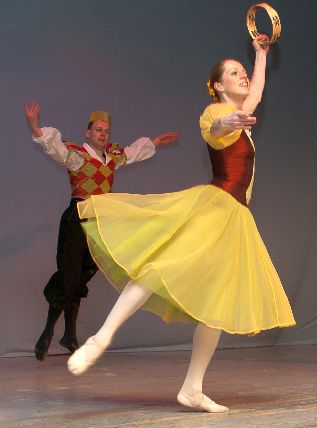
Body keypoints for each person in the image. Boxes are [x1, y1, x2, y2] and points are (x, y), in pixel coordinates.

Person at [67, 35, 295, 413]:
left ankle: (192, 388)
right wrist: (227, 120)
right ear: (218, 85)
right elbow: (217, 128)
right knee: (159, 267)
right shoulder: (214, 112)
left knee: (215, 303)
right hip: (215, 208)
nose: (243, 77)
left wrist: (259, 55)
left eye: (243, 72)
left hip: (236, 217)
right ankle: (101, 338)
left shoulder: (244, 115)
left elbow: (255, 94)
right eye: (234, 73)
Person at [24, 103, 178, 360]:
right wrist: (35, 126)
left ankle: (68, 335)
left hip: (99, 223)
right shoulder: (77, 156)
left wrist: (156, 141)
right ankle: (50, 330)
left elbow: (131, 153)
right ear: (88, 133)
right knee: (69, 275)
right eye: (98, 130)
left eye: (106, 130)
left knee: (83, 275)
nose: (103, 134)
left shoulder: (112, 157)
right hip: (77, 219)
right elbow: (54, 149)